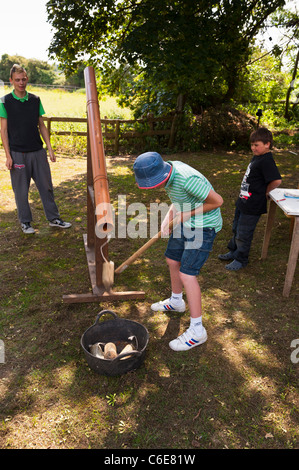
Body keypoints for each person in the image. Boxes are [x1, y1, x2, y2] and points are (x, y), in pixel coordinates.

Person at [133, 151, 223, 351]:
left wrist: (186, 215)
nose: (154, 186)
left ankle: (198, 330)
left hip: (203, 226)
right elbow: (179, 198)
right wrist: (170, 216)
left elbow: (217, 201)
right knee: (172, 260)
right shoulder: (167, 176)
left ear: (163, 173)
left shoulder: (187, 179)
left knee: (187, 274)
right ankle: (176, 301)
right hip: (185, 220)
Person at [0, 64, 71, 234]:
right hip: (18, 154)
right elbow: (3, 130)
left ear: (27, 79)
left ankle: (54, 218)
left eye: (23, 79)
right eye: (17, 80)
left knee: (46, 186)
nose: (21, 82)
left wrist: (50, 148)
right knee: (21, 191)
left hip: (38, 152)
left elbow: (42, 125)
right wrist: (8, 156)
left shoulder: (35, 100)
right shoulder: (4, 102)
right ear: (11, 81)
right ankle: (26, 223)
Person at [218, 127, 281, 270]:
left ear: (267, 144)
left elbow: (276, 180)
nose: (253, 148)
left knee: (244, 233)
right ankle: (233, 252)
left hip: (253, 205)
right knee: (236, 228)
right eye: (252, 145)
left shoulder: (267, 160)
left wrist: (266, 192)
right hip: (243, 202)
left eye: (256, 145)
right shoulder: (258, 157)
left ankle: (241, 259)